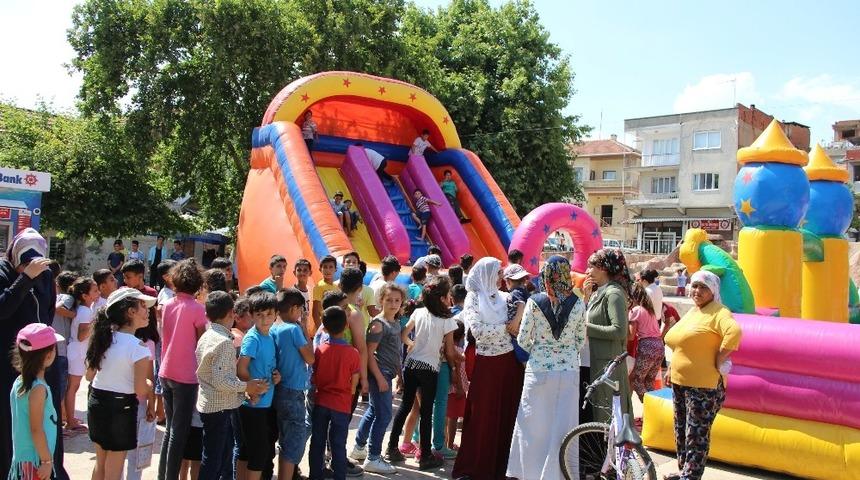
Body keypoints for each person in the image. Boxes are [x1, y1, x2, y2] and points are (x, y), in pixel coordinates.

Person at [506, 256, 587, 479]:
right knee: (564, 427)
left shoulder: (534, 301)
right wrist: (564, 350)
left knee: (533, 426)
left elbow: (523, 339)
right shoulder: (579, 303)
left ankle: (530, 473)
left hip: (539, 370)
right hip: (569, 370)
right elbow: (581, 340)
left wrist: (541, 349)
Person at [0, 229, 68, 479]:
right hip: (12, 362)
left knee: (47, 417)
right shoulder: (4, 273)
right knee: (13, 423)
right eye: (25, 261)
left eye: (34, 260)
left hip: (42, 359)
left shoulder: (46, 274)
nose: (31, 266)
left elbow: (48, 312)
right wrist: (24, 278)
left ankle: (51, 467)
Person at [663, 271, 742, 480]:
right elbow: (681, 343)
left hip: (703, 386)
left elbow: (734, 332)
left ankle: (691, 476)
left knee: (696, 435)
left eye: (703, 287)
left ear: (713, 291)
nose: (697, 291)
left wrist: (719, 358)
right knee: (681, 431)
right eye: (695, 286)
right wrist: (671, 368)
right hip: (681, 382)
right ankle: (684, 472)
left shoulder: (719, 312)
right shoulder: (694, 312)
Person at [452, 257, 525, 480]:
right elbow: (478, 331)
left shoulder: (505, 297)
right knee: (484, 417)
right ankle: (478, 468)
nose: (500, 277)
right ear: (485, 274)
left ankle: (504, 468)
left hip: (510, 365)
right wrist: (507, 328)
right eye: (497, 272)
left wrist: (517, 318)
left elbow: (521, 325)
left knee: (508, 414)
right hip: (488, 366)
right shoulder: (473, 299)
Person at [385, 276, 459, 471]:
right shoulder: (447, 319)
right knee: (427, 412)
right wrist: (454, 366)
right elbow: (450, 351)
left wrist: (411, 345)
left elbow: (404, 335)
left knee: (405, 406)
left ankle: (392, 448)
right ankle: (426, 456)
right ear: (443, 298)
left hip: (411, 365)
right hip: (430, 369)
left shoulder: (418, 312)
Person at [196, 291, 268, 479]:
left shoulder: (208, 335)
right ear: (231, 314)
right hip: (218, 408)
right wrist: (247, 387)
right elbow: (221, 381)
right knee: (214, 459)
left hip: (213, 404)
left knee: (222, 454)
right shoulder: (224, 343)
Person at [86, 287, 155, 480]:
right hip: (121, 408)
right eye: (143, 305)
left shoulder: (103, 339)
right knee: (114, 470)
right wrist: (150, 383)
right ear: (130, 312)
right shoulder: (138, 347)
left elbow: (89, 376)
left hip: (97, 402)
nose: (147, 310)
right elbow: (141, 388)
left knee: (101, 465)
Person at [350, 283, 406, 474]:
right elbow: (369, 353)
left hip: (388, 373)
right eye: (389, 299)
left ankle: (359, 448)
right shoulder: (378, 324)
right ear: (380, 300)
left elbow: (395, 351)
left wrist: (399, 373)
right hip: (379, 374)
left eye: (397, 300)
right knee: (384, 415)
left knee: (374, 411)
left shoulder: (395, 323)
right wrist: (380, 378)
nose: (393, 303)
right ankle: (373, 457)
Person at [158, 259, 207, 480]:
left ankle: (163, 475)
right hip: (186, 376)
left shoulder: (167, 305)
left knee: (170, 430)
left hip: (166, 371)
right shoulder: (198, 309)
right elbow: (200, 343)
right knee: (179, 432)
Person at [309, 306, 361, 480]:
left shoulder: (319, 350)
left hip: (321, 401)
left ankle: (315, 475)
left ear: (323, 326)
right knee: (338, 445)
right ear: (346, 325)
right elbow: (354, 384)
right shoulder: (353, 353)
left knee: (317, 442)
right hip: (342, 404)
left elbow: (313, 377)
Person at [582, 248, 633, 423]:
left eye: (591, 267)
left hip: (607, 364)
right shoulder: (599, 291)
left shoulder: (613, 294)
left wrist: (585, 328)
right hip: (594, 361)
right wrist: (586, 299)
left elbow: (619, 331)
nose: (587, 271)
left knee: (607, 416)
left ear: (604, 268)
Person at [8, 324, 63, 480]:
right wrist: (47, 460)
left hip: (24, 458)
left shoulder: (19, 381)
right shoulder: (38, 389)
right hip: (36, 460)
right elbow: (36, 429)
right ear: (48, 355)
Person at [236, 291, 281, 480]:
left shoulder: (269, 336)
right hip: (252, 405)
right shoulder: (252, 338)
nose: (264, 319)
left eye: (269, 314)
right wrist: (251, 389)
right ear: (252, 315)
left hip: (263, 404)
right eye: (259, 315)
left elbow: (266, 366)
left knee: (248, 450)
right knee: (258, 453)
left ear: (275, 314)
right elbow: (241, 368)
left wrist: (276, 376)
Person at [271, 289, 315, 480]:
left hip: (279, 389)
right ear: (294, 308)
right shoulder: (293, 329)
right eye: (301, 310)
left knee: (284, 439)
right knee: (293, 441)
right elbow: (310, 357)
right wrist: (304, 327)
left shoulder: (273, 327)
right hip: (293, 390)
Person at [65, 277, 99, 434]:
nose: (97, 293)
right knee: (73, 387)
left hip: (77, 352)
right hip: (77, 353)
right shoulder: (85, 311)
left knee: (73, 386)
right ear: (85, 296)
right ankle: (70, 421)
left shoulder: (85, 309)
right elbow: (81, 336)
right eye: (94, 290)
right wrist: (96, 324)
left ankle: (69, 418)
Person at [628, 284, 665, 403]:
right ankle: (653, 411)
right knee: (649, 381)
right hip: (659, 345)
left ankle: (650, 406)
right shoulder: (649, 310)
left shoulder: (635, 311)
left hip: (647, 346)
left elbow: (630, 336)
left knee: (636, 380)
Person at [52, 271, 78, 427]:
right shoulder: (67, 298)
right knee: (61, 389)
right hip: (60, 349)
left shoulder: (54, 297)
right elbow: (58, 309)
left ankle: (60, 419)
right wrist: (75, 314)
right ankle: (59, 423)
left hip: (55, 348)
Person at [444, 320, 467, 451]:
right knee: (453, 418)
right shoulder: (459, 352)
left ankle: (446, 442)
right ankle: (450, 444)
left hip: (447, 388)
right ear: (463, 336)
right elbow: (458, 369)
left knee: (447, 416)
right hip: (456, 389)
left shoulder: (447, 350)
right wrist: (459, 388)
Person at [342, 252, 379, 324]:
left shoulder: (368, 290)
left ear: (359, 265)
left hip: (362, 328)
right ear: (343, 264)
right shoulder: (335, 286)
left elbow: (372, 312)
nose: (351, 264)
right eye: (348, 262)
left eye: (354, 262)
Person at [312, 255, 339, 332]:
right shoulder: (319, 286)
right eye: (325, 267)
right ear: (320, 269)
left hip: (334, 325)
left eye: (331, 267)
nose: (328, 270)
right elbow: (315, 312)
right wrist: (320, 330)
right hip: (323, 326)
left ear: (335, 269)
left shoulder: (336, 287)